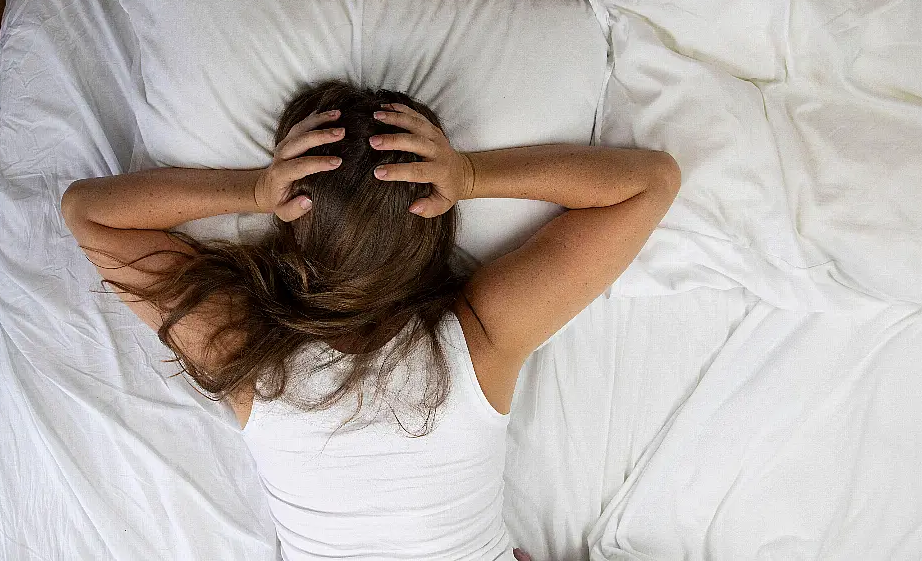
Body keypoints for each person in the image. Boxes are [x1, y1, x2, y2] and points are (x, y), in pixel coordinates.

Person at [61, 80, 681, 560]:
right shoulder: (479, 339)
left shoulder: (248, 356)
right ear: (437, 225)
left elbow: (90, 212)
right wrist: (469, 174)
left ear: (290, 230)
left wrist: (251, 189)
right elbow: (650, 182)